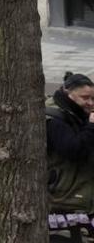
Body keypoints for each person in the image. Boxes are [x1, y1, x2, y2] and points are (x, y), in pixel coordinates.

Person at [45, 72, 94, 212]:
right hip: (65, 192)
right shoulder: (54, 119)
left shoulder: (72, 109)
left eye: (93, 98)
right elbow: (75, 151)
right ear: (68, 93)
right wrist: (91, 126)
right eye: (85, 98)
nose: (90, 103)